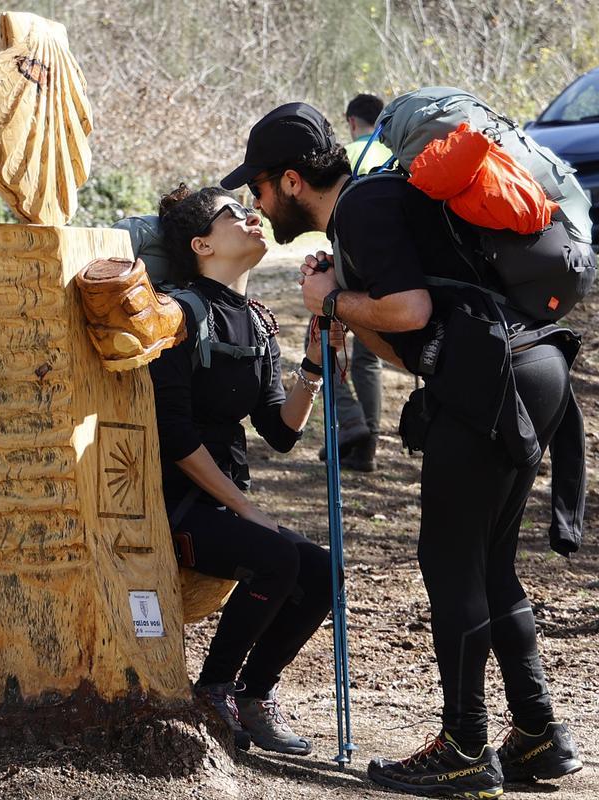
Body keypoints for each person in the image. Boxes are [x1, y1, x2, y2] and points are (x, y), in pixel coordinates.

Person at [220, 104, 586, 797]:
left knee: (450, 564)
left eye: (259, 189)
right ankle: (538, 734)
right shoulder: (379, 204)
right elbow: (411, 347)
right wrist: (340, 306)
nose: (258, 204)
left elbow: (411, 312)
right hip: (529, 368)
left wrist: (334, 304)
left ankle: (465, 746)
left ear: (292, 180)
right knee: (488, 563)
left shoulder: (364, 209)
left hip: (494, 382)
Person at [148, 183, 342, 756]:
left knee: (324, 571)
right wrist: (247, 509)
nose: (251, 215)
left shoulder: (256, 321)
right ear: (202, 243)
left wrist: (313, 362)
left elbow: (280, 432)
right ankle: (213, 692)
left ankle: (255, 697)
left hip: (222, 503)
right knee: (277, 556)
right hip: (173, 502)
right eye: (233, 213)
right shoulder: (176, 313)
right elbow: (176, 437)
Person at [310, 94, 395, 471]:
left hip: (349, 264)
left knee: (324, 345)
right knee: (368, 359)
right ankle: (367, 447)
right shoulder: (394, 151)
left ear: (350, 121)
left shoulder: (347, 156)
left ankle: (352, 422)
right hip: (391, 269)